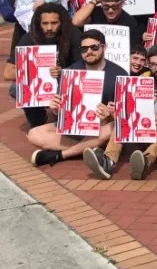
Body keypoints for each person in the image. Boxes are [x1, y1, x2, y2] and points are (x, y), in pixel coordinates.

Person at [82, 43, 157, 180]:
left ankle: (145, 161)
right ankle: (108, 162)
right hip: (143, 129)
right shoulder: (144, 77)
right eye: (153, 64)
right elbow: (130, 107)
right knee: (123, 117)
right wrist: (115, 110)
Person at [29, 30, 128, 167]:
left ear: (104, 47)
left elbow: (125, 115)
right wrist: (56, 109)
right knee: (34, 133)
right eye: (84, 49)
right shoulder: (70, 72)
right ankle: (88, 150)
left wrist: (110, 114)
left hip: (101, 127)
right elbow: (60, 111)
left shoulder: (119, 74)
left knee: (113, 129)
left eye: (94, 47)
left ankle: (60, 155)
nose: (89, 52)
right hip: (74, 128)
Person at [5, 4, 83, 128]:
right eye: (45, 23)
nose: (50, 28)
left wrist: (63, 72)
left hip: (65, 81)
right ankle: (37, 119)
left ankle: (66, 118)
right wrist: (37, 71)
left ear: (62, 22)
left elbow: (84, 69)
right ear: (38, 23)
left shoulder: (73, 35)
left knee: (63, 124)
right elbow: (8, 72)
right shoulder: (30, 37)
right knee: (15, 88)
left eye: (54, 23)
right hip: (40, 83)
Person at [73, 0, 144, 48]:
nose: (110, 10)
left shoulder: (130, 22)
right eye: (106, 6)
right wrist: (95, 0)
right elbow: (76, 22)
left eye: (115, 6)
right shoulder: (95, 13)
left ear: (122, 4)